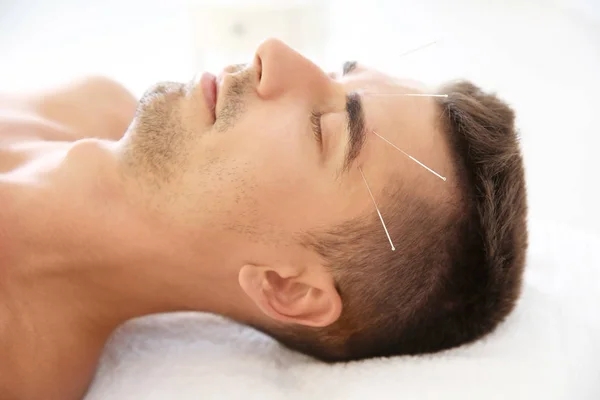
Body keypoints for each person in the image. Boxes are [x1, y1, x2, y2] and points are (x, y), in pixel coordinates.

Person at [0, 38, 527, 400]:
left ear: (287, 288)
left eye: (326, 128)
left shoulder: (16, 365)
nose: (272, 52)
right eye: (331, 73)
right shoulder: (90, 104)